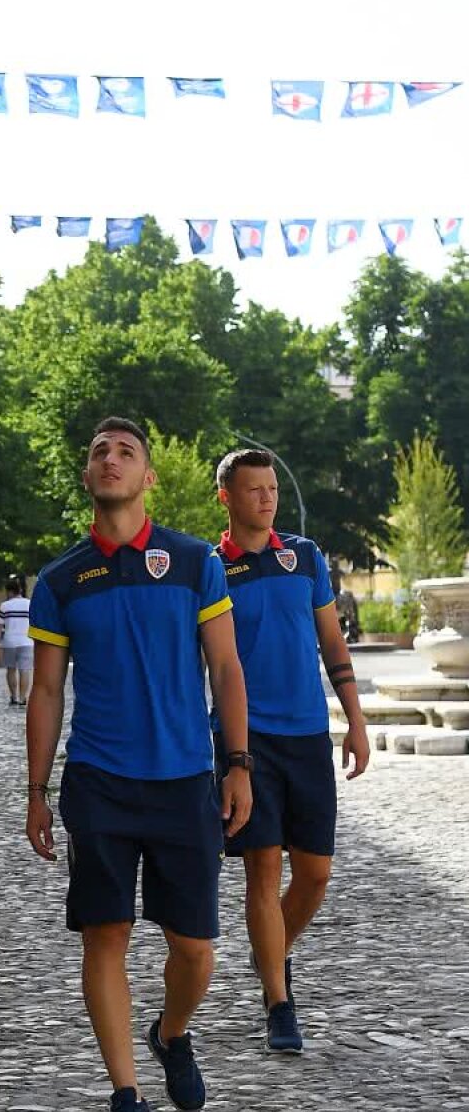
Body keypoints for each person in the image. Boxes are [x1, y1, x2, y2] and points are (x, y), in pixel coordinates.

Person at [25, 417, 252, 1112]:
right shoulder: (59, 581)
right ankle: (125, 1095)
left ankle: (171, 1031)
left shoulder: (192, 563)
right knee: (106, 936)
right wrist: (36, 789)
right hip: (100, 783)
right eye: (100, 453)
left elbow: (224, 669)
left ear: (148, 477)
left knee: (196, 950)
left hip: (186, 779)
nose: (112, 460)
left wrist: (238, 763)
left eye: (127, 453)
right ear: (88, 478)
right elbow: (48, 693)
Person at [215, 449, 371, 1054]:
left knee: (315, 873)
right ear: (226, 497)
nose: (266, 498)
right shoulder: (211, 568)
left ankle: (268, 954)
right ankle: (280, 1000)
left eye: (272, 488)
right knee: (262, 867)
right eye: (253, 489)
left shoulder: (303, 556)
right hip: (245, 740)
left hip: (308, 734)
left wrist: (354, 721)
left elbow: (331, 639)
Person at [0, 576, 33, 708]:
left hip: (9, 641)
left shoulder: (4, 605)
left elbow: (0, 625)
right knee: (25, 670)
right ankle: (23, 698)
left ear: (9, 591)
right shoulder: (30, 604)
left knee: (11, 670)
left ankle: (13, 697)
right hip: (27, 641)